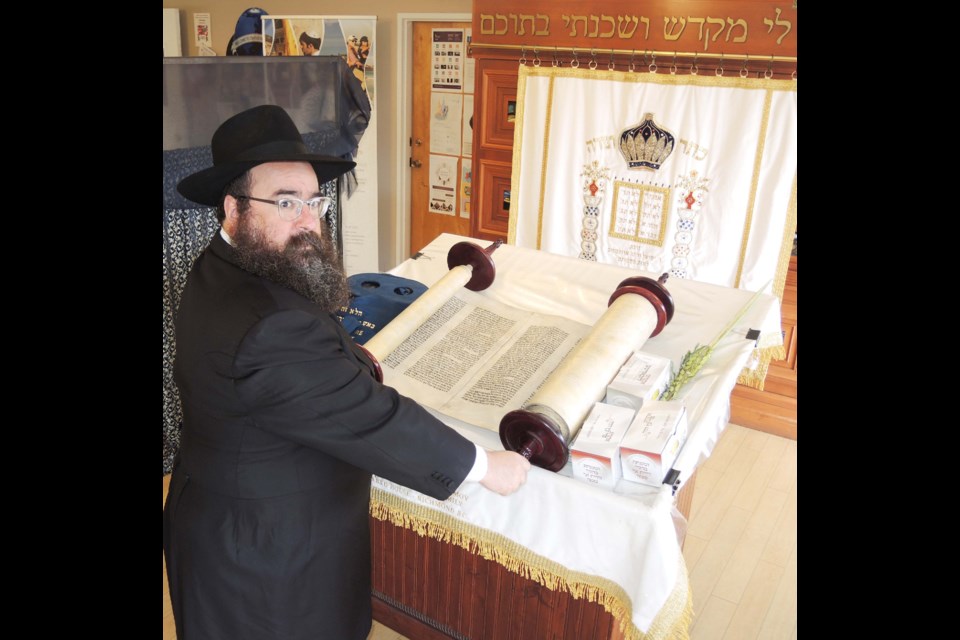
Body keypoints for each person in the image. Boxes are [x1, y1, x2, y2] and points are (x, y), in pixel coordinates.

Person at [163, 104, 531, 640]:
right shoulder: (268, 325)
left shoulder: (220, 262)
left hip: (227, 516)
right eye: (285, 202)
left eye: (313, 200)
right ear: (232, 206)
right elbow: (369, 418)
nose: (309, 219)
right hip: (269, 562)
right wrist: (481, 466)